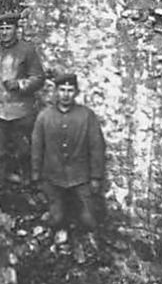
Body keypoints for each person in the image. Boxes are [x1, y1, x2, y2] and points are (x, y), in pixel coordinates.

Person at [30, 72, 107, 262]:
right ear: (56, 92)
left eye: (70, 90)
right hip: (53, 176)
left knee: (88, 218)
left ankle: (85, 247)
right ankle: (57, 243)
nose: (65, 94)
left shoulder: (86, 116)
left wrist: (96, 177)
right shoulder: (45, 116)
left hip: (80, 177)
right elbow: (36, 147)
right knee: (56, 218)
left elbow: (97, 146)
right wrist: (36, 177)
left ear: (76, 92)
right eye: (62, 90)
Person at [0, 11, 46, 188]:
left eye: (8, 28)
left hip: (21, 110)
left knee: (25, 151)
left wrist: (20, 84)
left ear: (15, 29)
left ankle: (29, 186)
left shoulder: (27, 50)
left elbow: (39, 78)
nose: (4, 32)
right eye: (1, 28)